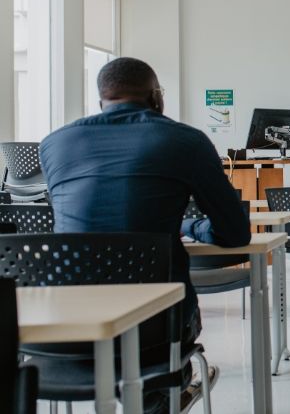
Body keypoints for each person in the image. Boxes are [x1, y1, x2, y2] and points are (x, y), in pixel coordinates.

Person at [39, 57, 251, 408]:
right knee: (152, 334)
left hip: (65, 329)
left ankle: (166, 394)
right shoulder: (187, 142)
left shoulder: (55, 143)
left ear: (100, 101)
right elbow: (235, 234)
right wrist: (184, 225)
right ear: (157, 98)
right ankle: (166, 394)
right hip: (156, 329)